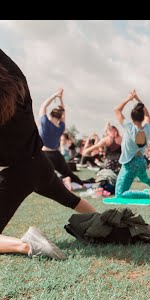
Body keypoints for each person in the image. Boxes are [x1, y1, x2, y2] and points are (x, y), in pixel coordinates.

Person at [0, 49, 96, 260]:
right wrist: (59, 98)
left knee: (70, 196)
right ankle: (104, 222)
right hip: (40, 163)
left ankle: (26, 245)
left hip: (16, 172)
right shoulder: (16, 77)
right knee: (70, 199)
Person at [113, 89, 150, 199]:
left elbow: (117, 110)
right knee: (145, 179)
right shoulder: (146, 128)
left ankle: (149, 194)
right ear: (141, 117)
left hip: (130, 163)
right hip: (142, 162)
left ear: (132, 117)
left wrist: (129, 98)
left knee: (119, 194)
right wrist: (138, 100)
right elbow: (148, 116)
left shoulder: (129, 127)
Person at [38, 88, 85, 186]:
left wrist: (55, 95)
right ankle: (81, 183)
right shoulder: (61, 127)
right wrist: (61, 99)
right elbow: (64, 112)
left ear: (51, 114)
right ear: (60, 116)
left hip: (45, 154)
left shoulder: (45, 123)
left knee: (45, 177)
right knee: (68, 172)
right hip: (56, 154)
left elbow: (43, 106)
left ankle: (64, 181)